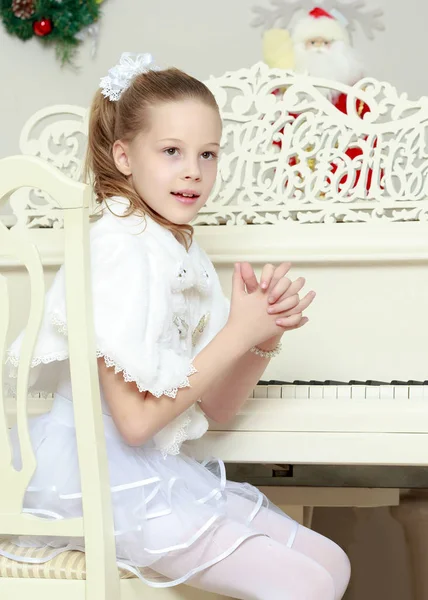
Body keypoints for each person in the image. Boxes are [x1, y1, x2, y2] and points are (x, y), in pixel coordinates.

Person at [2, 52, 351, 600]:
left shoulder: (176, 248)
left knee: (331, 560)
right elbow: (136, 424)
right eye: (171, 151)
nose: (194, 170)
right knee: (304, 582)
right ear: (123, 156)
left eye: (208, 154)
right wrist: (236, 333)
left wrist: (262, 337)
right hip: (91, 479)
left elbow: (214, 409)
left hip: (145, 470)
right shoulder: (119, 248)